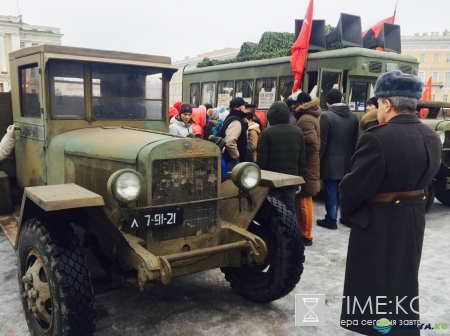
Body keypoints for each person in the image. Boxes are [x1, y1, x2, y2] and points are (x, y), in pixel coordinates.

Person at [339, 70, 441, 336]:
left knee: (375, 285)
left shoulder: (377, 138)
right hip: (414, 219)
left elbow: (352, 188)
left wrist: (350, 216)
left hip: (378, 221)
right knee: (404, 279)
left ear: (386, 103)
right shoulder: (431, 135)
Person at [316, 89, 359, 230]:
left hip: (330, 161)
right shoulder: (353, 117)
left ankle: (331, 219)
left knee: (330, 190)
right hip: (348, 160)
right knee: (345, 190)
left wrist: (318, 160)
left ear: (328, 102)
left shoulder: (326, 116)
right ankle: (346, 217)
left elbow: (322, 142)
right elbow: (354, 141)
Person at [256, 102, 305, 215]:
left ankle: (272, 232)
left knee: (273, 208)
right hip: (292, 178)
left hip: (273, 179)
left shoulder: (267, 133)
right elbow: (301, 158)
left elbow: (262, 160)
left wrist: (260, 180)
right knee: (291, 208)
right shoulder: (298, 131)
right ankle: (292, 231)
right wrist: (299, 178)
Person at [293, 92, 322, 246]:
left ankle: (306, 234)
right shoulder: (310, 117)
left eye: (296, 103)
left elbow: (311, 142)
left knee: (304, 199)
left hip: (307, 165)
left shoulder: (305, 119)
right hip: (310, 164)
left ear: (302, 103)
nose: (293, 105)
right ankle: (304, 231)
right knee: (304, 199)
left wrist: (294, 143)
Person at [219, 97, 249, 171]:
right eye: (245, 106)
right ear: (241, 107)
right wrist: (235, 156)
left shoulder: (230, 117)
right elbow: (229, 141)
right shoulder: (236, 121)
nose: (246, 108)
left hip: (228, 157)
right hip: (232, 160)